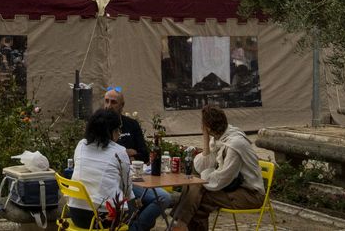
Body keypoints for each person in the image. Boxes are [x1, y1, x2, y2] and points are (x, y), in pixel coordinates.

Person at [170, 106, 263, 231]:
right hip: (233, 187)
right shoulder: (220, 139)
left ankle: (180, 225)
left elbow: (224, 178)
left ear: (208, 127)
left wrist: (201, 180)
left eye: (203, 125)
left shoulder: (235, 144)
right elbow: (204, 166)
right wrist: (206, 139)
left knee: (200, 197)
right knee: (195, 191)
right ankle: (181, 225)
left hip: (250, 194)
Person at [102, 88, 173, 231]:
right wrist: (127, 153)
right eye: (106, 101)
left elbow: (144, 155)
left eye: (113, 102)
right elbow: (106, 155)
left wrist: (129, 155)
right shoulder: (98, 125)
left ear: (122, 105)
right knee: (149, 203)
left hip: (134, 177)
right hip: (112, 182)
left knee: (164, 197)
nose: (109, 106)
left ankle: (134, 228)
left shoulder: (131, 124)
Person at [68, 109, 131, 228]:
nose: (119, 133)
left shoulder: (81, 145)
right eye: (117, 130)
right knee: (131, 206)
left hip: (76, 213)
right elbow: (127, 187)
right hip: (103, 217)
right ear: (110, 132)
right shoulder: (119, 151)